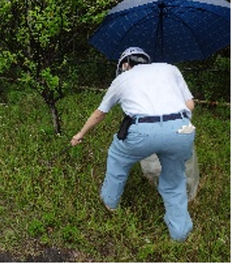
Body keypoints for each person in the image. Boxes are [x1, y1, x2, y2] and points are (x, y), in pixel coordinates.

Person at [70, 47, 196, 242]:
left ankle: (110, 203)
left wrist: (80, 134)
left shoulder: (122, 78)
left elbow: (100, 113)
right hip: (181, 128)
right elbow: (190, 105)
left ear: (125, 64)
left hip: (142, 131)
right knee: (174, 181)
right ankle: (180, 233)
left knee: (118, 159)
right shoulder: (170, 68)